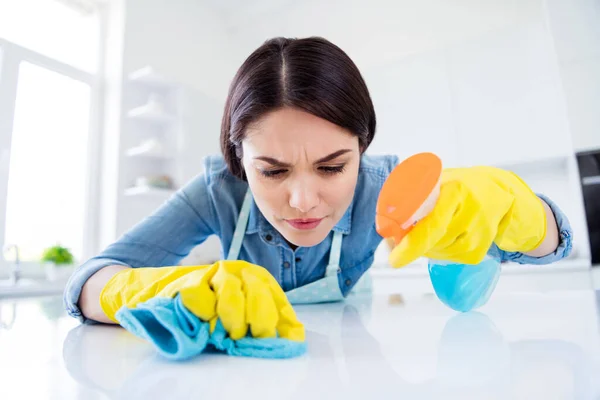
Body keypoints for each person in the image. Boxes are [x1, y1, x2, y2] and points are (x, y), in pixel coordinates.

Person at [63, 36, 572, 334]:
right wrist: (168, 288)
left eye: (332, 167)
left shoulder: (384, 187)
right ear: (238, 156)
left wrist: (521, 215)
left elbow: (552, 251)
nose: (303, 201)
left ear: (362, 148)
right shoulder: (218, 190)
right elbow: (87, 281)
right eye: (273, 170)